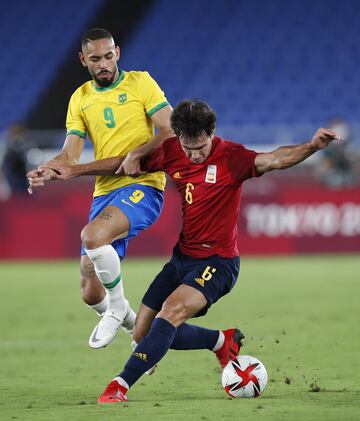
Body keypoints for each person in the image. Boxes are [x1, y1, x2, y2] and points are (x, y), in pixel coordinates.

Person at [37, 99, 341, 403]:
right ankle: (222, 341)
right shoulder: (171, 152)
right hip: (182, 258)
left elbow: (275, 159)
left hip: (218, 263)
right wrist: (75, 170)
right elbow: (120, 164)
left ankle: (119, 386)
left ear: (212, 133)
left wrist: (312, 146)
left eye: (201, 147)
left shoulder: (231, 156)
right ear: (177, 138)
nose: (194, 155)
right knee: (142, 334)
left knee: (171, 312)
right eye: (188, 148)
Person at [26, 28, 173, 349]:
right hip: (105, 191)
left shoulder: (140, 83)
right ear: (83, 60)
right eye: (95, 59)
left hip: (143, 185)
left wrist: (138, 152)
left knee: (91, 236)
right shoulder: (80, 98)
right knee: (90, 292)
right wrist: (49, 168)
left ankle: (118, 306)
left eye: (109, 56)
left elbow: (169, 129)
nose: (104, 63)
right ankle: (138, 330)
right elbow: (70, 155)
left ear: (117, 52)